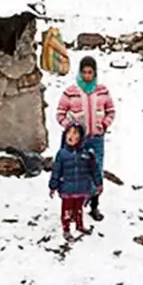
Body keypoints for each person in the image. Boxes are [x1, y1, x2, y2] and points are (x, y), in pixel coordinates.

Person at [56, 55, 116, 221]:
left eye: (90, 72)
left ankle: (94, 205)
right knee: (78, 172)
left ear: (95, 73)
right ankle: (77, 205)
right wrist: (71, 129)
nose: (87, 76)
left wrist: (103, 125)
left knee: (96, 170)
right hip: (78, 141)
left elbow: (111, 111)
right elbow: (60, 113)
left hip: (96, 139)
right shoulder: (71, 92)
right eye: (84, 72)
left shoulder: (102, 91)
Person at [49, 124, 102, 240]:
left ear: (81, 138)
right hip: (67, 189)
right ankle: (66, 229)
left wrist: (98, 183)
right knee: (66, 211)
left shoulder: (86, 154)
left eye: (75, 133)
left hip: (81, 188)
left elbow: (94, 170)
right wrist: (53, 186)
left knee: (78, 209)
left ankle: (79, 225)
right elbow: (56, 171)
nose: (71, 136)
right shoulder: (62, 154)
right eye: (69, 133)